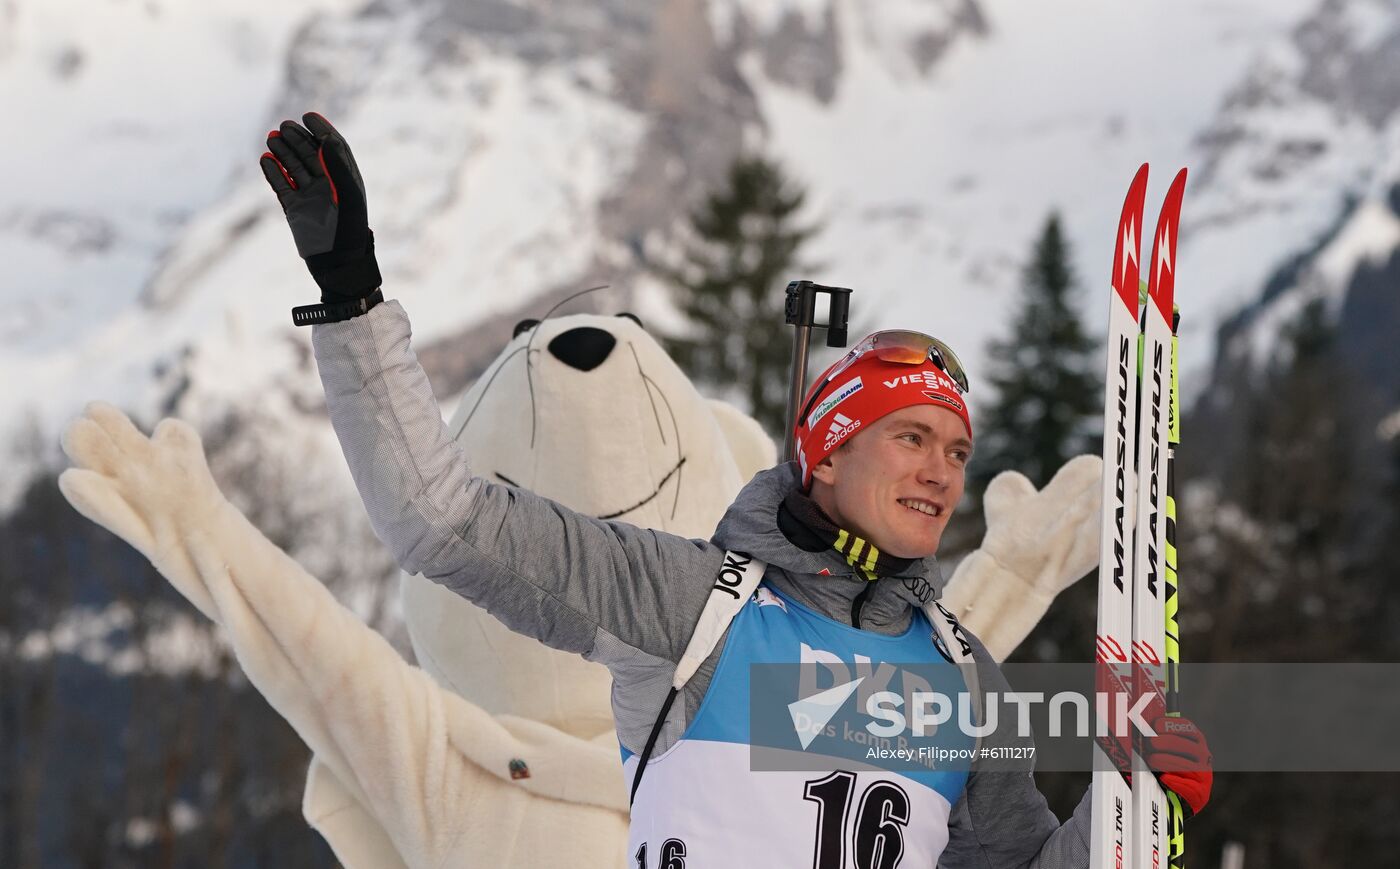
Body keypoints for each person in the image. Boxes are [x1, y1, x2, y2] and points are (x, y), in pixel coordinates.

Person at [260, 112, 1212, 867]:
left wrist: (1133, 802)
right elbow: (442, 521)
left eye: (958, 451)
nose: (940, 470)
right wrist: (352, 299)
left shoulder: (963, 677)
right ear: (827, 455)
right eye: (912, 436)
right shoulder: (689, 608)